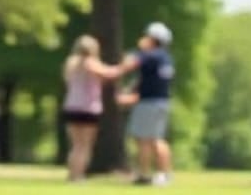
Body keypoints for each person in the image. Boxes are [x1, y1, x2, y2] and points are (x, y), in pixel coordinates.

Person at [61, 35, 126, 181]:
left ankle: (72, 173)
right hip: (88, 108)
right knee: (84, 145)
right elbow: (109, 73)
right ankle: (78, 175)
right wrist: (124, 65)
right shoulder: (90, 62)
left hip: (71, 106)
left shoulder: (70, 63)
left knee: (75, 144)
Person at [117, 21, 175, 186]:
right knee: (156, 138)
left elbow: (130, 63)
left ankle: (145, 174)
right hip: (160, 101)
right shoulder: (165, 58)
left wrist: (134, 53)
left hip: (149, 103)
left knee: (145, 139)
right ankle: (164, 173)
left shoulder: (151, 55)